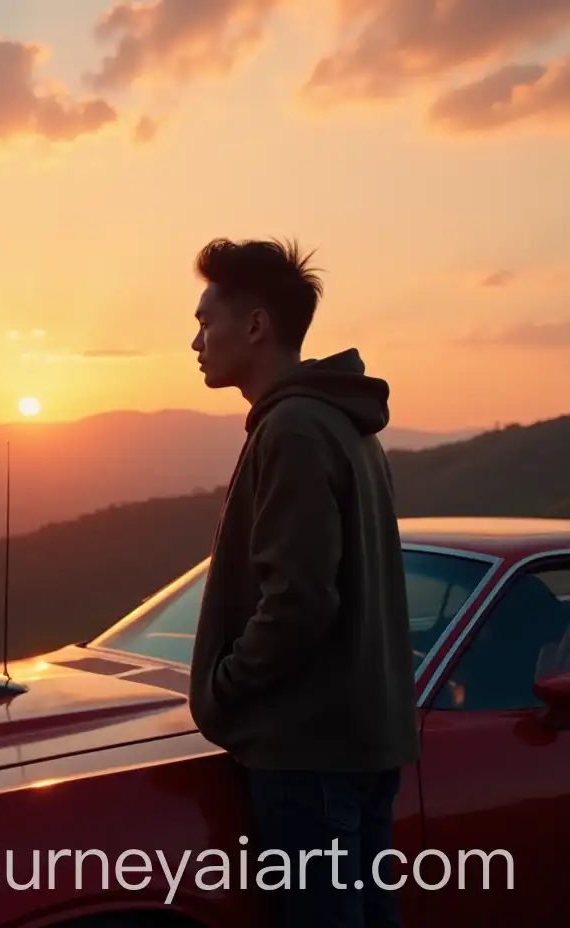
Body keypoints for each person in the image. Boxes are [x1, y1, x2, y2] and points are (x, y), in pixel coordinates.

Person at [185, 238, 419, 927]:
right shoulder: (344, 425)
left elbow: (300, 600)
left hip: (307, 752)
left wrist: (224, 688)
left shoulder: (294, 428)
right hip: (358, 739)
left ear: (255, 326)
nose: (195, 341)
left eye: (206, 321)